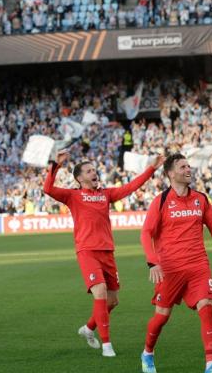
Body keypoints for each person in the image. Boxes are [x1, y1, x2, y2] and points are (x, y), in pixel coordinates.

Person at [43, 149, 162, 357]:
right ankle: (107, 345)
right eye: (89, 171)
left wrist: (151, 168)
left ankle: (89, 328)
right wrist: (56, 165)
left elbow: (131, 187)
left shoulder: (105, 195)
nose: (94, 173)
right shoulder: (73, 196)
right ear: (80, 178)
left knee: (112, 301)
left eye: (94, 170)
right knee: (100, 292)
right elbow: (48, 188)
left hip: (107, 252)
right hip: (87, 251)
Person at [139, 153, 212, 373]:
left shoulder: (200, 199)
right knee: (162, 316)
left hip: (198, 265)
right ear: (171, 173)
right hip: (169, 269)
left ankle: (210, 364)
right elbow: (146, 233)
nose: (188, 169)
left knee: (207, 306)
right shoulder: (161, 201)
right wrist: (152, 262)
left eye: (189, 166)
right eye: (183, 167)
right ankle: (147, 352)